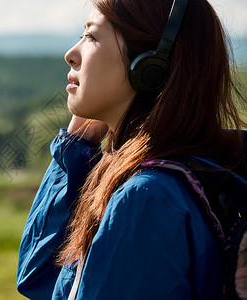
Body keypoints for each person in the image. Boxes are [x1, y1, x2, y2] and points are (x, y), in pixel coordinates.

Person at [17, 0, 247, 299]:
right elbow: (44, 276)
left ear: (152, 67)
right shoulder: (207, 167)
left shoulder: (147, 199)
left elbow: (40, 283)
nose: (71, 55)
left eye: (91, 36)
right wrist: (77, 143)